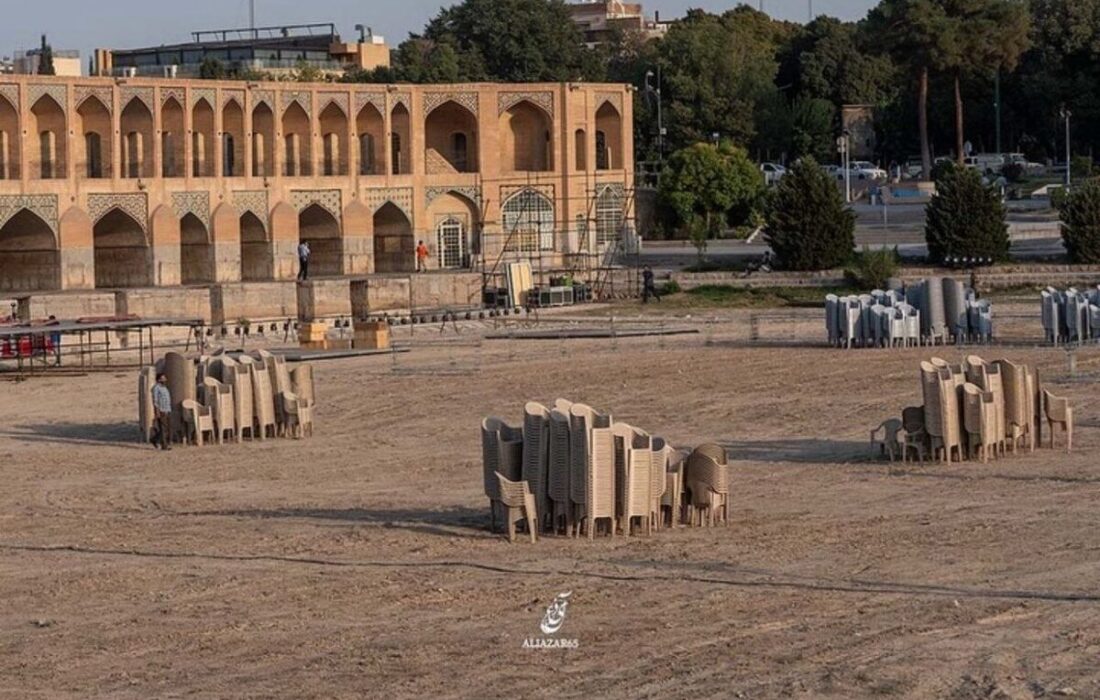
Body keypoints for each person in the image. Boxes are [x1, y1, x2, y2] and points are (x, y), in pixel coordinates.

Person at [151, 374, 173, 451]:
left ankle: (155, 439)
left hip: (167, 409)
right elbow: (155, 401)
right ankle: (164, 445)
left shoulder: (164, 388)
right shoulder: (156, 388)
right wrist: (157, 411)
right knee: (163, 428)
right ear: (159, 380)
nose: (165, 379)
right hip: (162, 410)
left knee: (167, 428)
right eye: (163, 378)